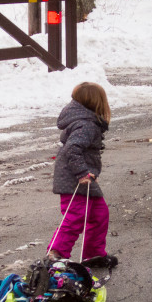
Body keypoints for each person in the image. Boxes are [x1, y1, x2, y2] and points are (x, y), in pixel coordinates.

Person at [46, 82, 118, 268]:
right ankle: (56, 255)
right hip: (75, 178)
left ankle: (93, 254)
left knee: (99, 213)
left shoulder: (85, 120)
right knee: (75, 216)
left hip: (82, 177)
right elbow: (73, 148)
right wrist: (82, 172)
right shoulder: (87, 125)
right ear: (97, 103)